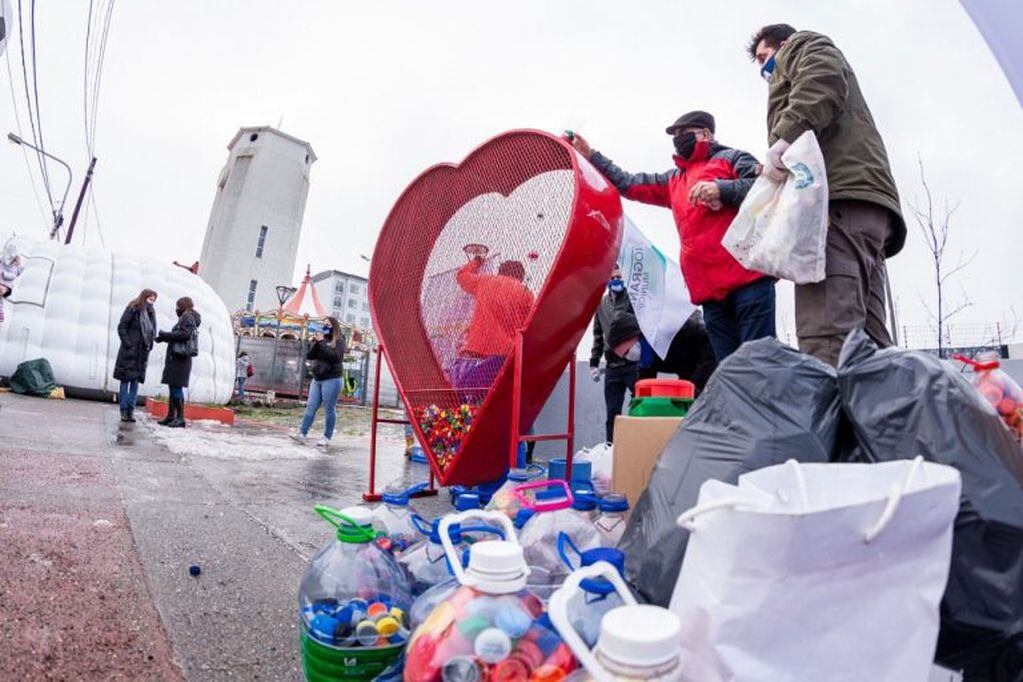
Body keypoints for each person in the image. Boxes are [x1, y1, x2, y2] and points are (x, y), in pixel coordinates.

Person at [748, 24, 905, 366]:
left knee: (828, 336)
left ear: (783, 43)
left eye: (765, 56)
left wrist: (785, 137)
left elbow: (822, 79)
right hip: (864, 208)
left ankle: (834, 420)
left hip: (837, 205)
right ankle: (881, 417)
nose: (764, 69)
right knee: (870, 343)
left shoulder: (803, 45)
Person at [570, 112, 776, 363]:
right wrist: (593, 156)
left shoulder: (731, 159)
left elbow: (764, 187)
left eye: (684, 133)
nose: (678, 139)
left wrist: (722, 188)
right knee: (729, 371)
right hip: (710, 294)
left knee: (762, 364)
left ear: (705, 134)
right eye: (675, 136)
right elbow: (629, 183)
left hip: (749, 283)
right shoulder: (673, 180)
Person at [448, 253, 535, 395]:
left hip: (476, 350)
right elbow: (530, 325)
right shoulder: (526, 293)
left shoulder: (485, 282)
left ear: (500, 271)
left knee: (469, 398)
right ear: (520, 276)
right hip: (504, 357)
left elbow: (462, 276)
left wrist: (477, 261)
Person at [590, 266, 643, 443]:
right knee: (612, 414)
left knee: (640, 408)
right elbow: (598, 335)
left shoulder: (634, 300)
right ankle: (611, 450)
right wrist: (593, 363)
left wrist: (639, 348)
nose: (616, 280)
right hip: (612, 368)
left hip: (632, 365)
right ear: (607, 281)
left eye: (620, 277)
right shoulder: (601, 305)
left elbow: (643, 326)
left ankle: (638, 446)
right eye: (613, 278)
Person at [291, 317, 346, 447]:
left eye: (328, 325)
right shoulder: (323, 340)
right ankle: (302, 434)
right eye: (323, 325)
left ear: (334, 326)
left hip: (332, 379)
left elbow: (335, 357)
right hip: (318, 379)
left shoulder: (340, 340)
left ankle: (327, 437)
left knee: (329, 409)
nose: (325, 327)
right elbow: (310, 355)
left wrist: (321, 343)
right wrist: (317, 342)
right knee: (311, 406)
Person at [638, 310, 718, 394]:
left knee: (694, 393)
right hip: (685, 363)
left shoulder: (678, 328)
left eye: (627, 351)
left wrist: (694, 386)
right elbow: (645, 381)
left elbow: (708, 343)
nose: (626, 354)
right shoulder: (645, 357)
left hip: (703, 353)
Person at [155, 297, 201, 428]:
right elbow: (181, 335)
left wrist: (167, 335)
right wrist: (164, 338)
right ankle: (171, 416)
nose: (176, 309)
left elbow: (184, 335)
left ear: (183, 306)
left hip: (180, 359)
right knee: (173, 387)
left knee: (176, 388)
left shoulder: (187, 317)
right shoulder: (189, 317)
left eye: (178, 306)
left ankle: (180, 418)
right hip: (178, 358)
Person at [113, 289, 158, 423]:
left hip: (142, 353)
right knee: (125, 381)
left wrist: (149, 345)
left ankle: (130, 410)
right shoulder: (133, 309)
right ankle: (123, 409)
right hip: (129, 352)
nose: (152, 302)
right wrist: (129, 344)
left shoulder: (151, 313)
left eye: (154, 300)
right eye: (150, 299)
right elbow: (122, 327)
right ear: (144, 298)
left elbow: (151, 332)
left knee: (135, 382)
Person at [0, 238, 24, 323]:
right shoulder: (2, 262)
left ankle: (1, 313)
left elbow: (13, 276)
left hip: (6, 285)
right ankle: (1, 312)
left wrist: (4, 274)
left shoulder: (13, 267)